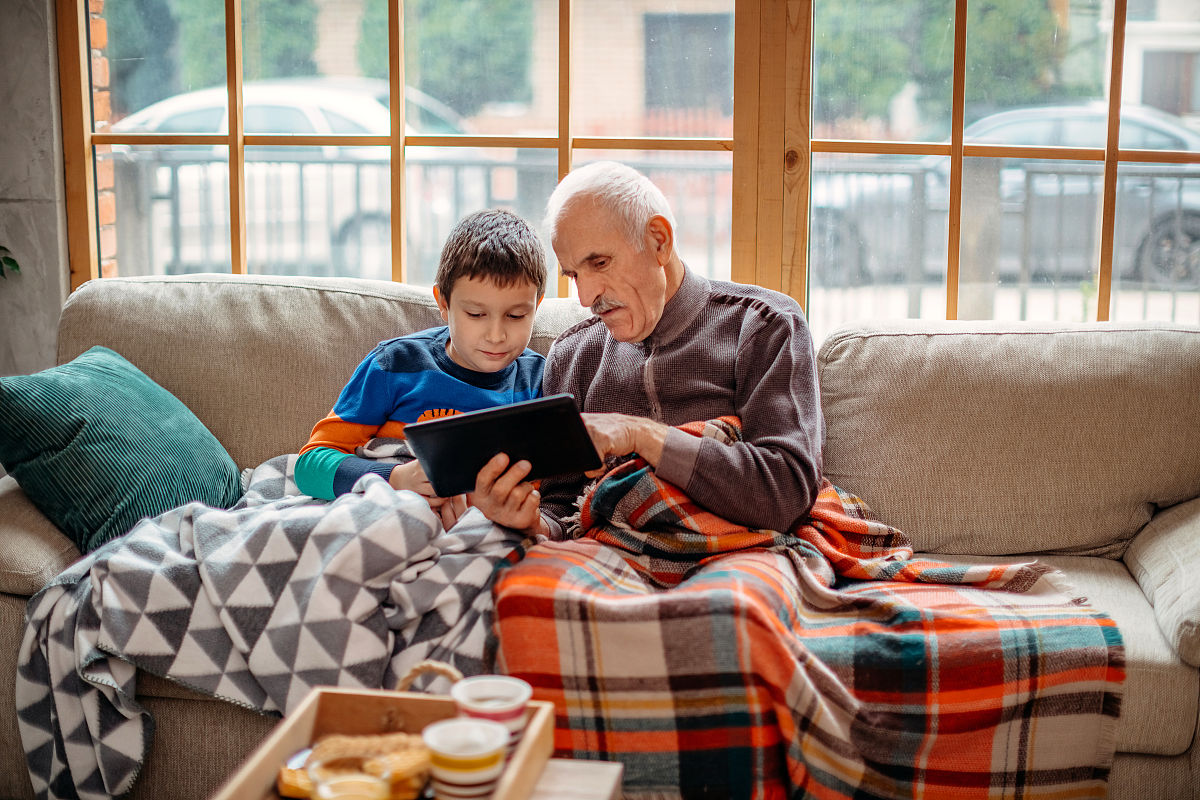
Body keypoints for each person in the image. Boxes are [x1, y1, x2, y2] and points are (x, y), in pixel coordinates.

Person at [471, 160, 824, 538]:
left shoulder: (763, 325)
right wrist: (530, 521)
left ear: (659, 241)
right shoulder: (573, 356)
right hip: (604, 562)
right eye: (573, 274)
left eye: (600, 263)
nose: (586, 295)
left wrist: (639, 434)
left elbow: (787, 493)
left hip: (740, 557)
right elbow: (562, 508)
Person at [295, 208, 548, 531]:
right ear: (443, 303)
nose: (496, 335)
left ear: (537, 305)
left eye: (515, 316)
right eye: (475, 314)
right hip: (385, 516)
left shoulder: (538, 383)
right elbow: (310, 466)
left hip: (478, 535)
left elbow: (544, 493)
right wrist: (395, 478)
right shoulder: (395, 365)